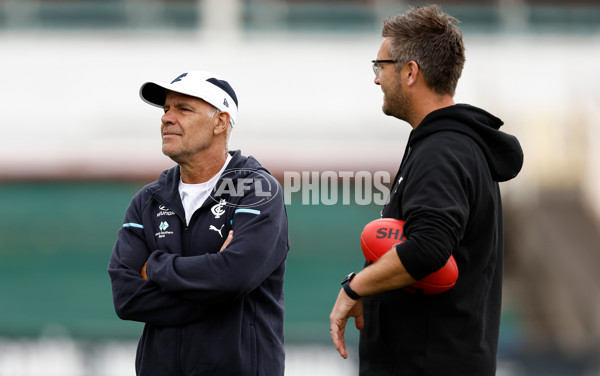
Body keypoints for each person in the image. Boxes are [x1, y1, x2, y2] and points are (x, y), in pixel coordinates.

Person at [329, 5, 523, 375]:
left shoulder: (443, 150)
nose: (376, 80)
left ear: (410, 72)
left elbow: (429, 248)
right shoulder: (449, 144)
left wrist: (355, 288)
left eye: (380, 67)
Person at [108, 71, 289, 376]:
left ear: (220, 122)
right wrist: (217, 286)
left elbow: (235, 276)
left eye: (183, 108)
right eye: (166, 109)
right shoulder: (148, 200)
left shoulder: (257, 189)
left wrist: (155, 267)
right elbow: (127, 298)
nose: (167, 118)